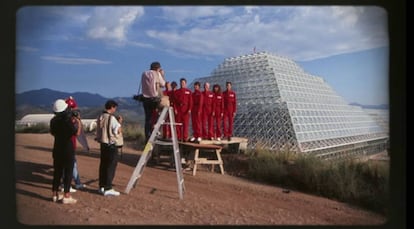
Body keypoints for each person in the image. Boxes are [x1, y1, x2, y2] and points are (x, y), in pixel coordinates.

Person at [49, 99, 78, 204]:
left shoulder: (53, 121)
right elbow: (75, 133)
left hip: (57, 149)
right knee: (68, 172)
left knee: (57, 172)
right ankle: (66, 195)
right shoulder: (68, 121)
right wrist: (76, 121)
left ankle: (54, 194)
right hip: (67, 149)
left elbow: (53, 133)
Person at [95, 100, 122, 196]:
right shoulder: (111, 118)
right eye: (115, 108)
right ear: (112, 107)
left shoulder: (100, 116)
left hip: (102, 144)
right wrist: (119, 123)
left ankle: (102, 186)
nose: (115, 110)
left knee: (103, 165)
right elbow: (117, 131)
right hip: (111, 144)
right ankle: (108, 187)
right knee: (111, 166)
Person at [140, 61, 166, 142]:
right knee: (159, 115)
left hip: (145, 98)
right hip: (154, 99)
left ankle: (147, 136)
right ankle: (156, 131)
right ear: (157, 68)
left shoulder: (144, 73)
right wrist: (162, 75)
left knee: (148, 118)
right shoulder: (156, 74)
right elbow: (163, 84)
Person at [174, 78, 193, 142]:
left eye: (184, 83)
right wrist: (175, 109)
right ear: (180, 83)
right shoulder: (177, 92)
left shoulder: (189, 92)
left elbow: (190, 102)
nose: (182, 84)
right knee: (178, 124)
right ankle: (179, 137)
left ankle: (185, 137)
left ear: (185, 83)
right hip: (179, 110)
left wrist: (189, 109)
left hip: (186, 110)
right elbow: (175, 102)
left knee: (185, 125)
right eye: (181, 83)